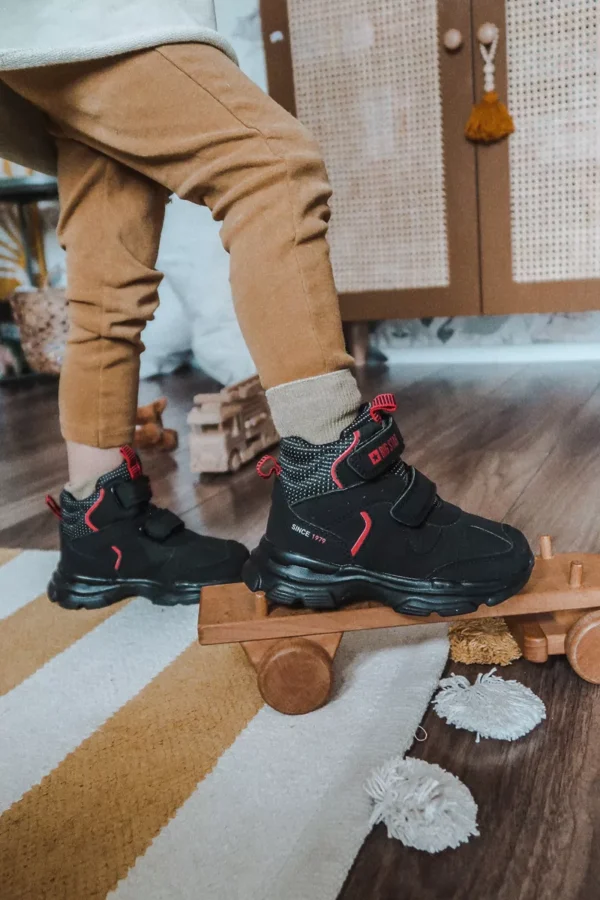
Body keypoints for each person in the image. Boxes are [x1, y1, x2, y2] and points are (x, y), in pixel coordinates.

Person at [0, 2, 533, 613]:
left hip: (40, 35)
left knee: (108, 285)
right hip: (96, 20)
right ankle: (340, 493)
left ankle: (101, 532)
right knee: (273, 168)